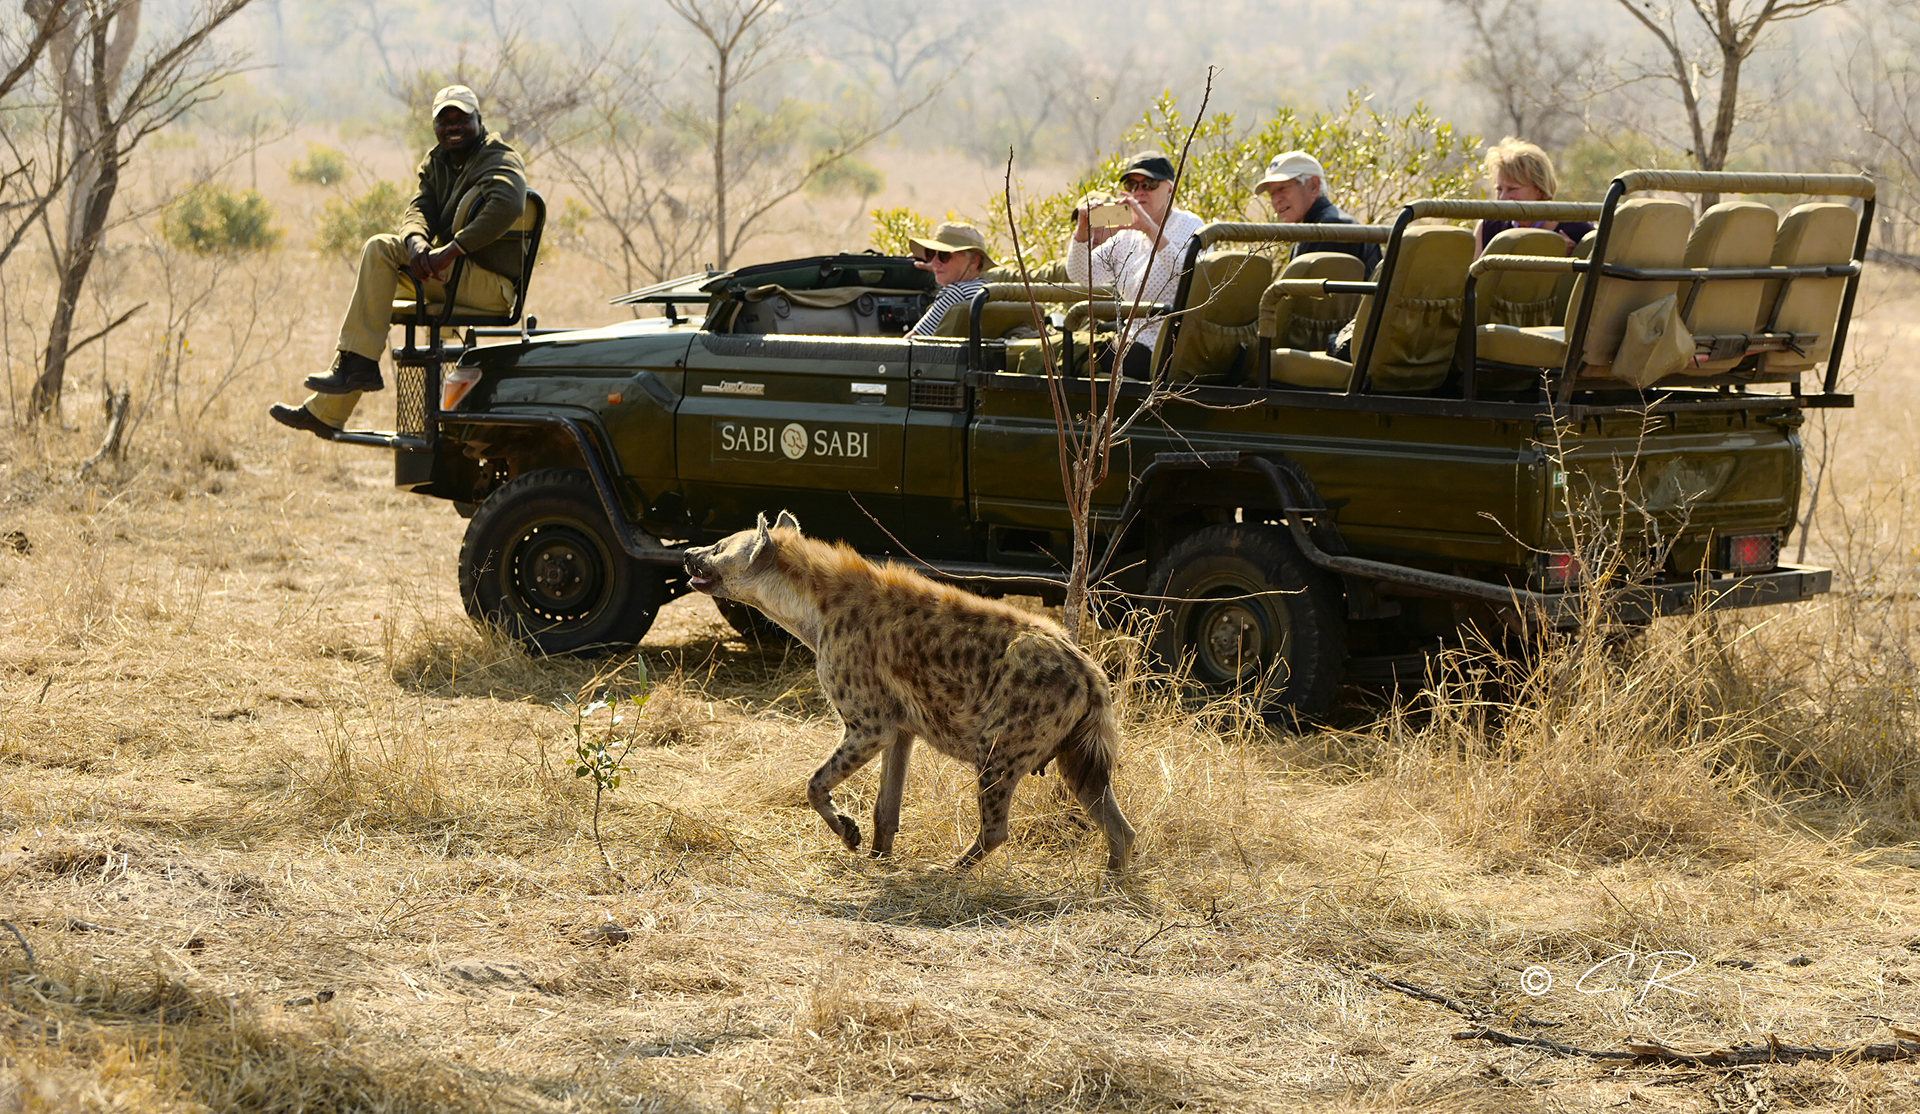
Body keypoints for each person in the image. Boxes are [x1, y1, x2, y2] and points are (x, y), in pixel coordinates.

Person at [269, 85, 529, 439]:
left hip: (490, 288)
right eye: (444, 119)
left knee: (380, 248)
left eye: (462, 118)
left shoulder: (498, 157)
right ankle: (331, 406)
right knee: (380, 278)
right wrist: (417, 242)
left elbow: (508, 204)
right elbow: (419, 207)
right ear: (435, 125)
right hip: (453, 278)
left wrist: (452, 249)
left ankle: (356, 369)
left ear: (479, 120)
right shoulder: (439, 160)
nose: (453, 126)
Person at [1066, 152, 1206, 379]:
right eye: (1132, 185)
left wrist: (1150, 229)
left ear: (1170, 189)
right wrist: (1083, 232)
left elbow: (1189, 275)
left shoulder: (1190, 224)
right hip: (1131, 342)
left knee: (1078, 355)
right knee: (1068, 349)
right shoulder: (1127, 236)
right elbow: (1081, 274)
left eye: (1149, 184)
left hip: (1171, 348)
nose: (1140, 192)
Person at [1254, 149, 1382, 274]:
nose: (1276, 200)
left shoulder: (1329, 227)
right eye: (1271, 194)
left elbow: (1317, 294)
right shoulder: (1314, 227)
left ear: (1314, 185)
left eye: (1282, 188)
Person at [1474, 136, 1591, 255]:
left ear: (1539, 189)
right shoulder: (1488, 227)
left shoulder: (1579, 231)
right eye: (1499, 189)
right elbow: (1473, 273)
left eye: (1512, 189)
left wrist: (1574, 258)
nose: (1503, 197)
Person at [907, 222, 993, 335]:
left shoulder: (957, 293)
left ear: (974, 261)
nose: (934, 262)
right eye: (931, 254)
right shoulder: (992, 291)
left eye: (944, 255)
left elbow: (908, 346)